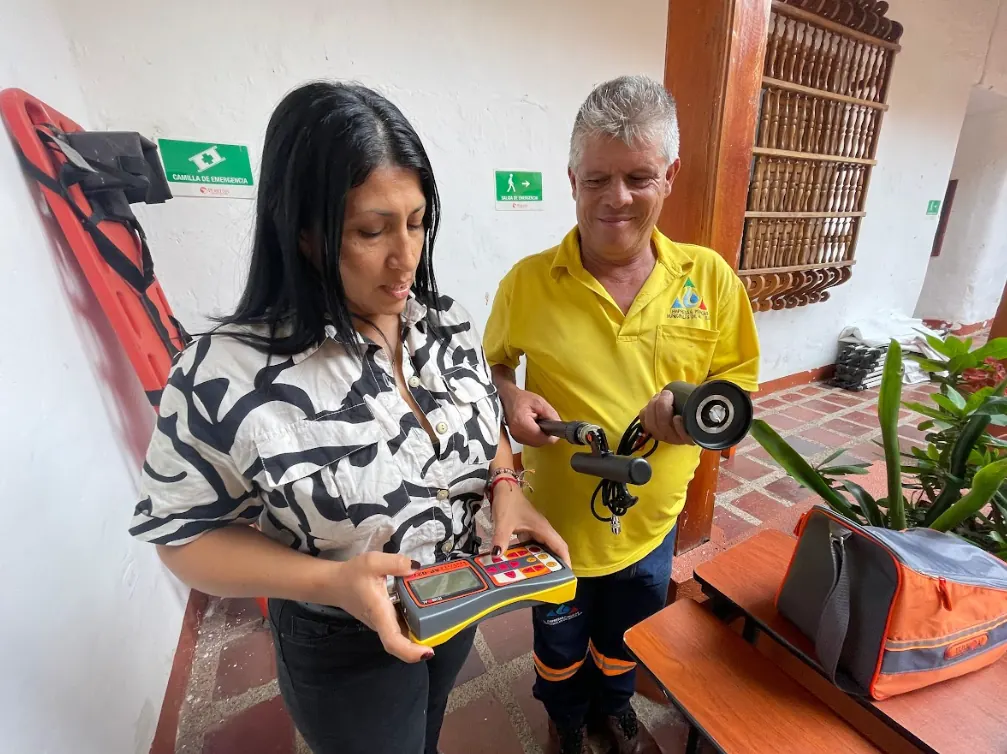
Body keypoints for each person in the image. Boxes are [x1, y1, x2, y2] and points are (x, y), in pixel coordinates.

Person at [129, 81, 568, 754]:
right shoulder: (224, 376)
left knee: (423, 730)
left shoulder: (442, 325)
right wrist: (330, 581)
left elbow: (487, 432)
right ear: (303, 231)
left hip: (453, 596)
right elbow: (180, 535)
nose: (406, 258)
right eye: (372, 231)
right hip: (343, 641)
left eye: (418, 222)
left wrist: (506, 492)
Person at [483, 75, 760, 754]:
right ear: (571, 178)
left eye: (638, 176)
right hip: (555, 525)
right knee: (556, 637)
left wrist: (690, 412)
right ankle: (564, 718)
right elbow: (490, 370)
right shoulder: (526, 282)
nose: (617, 198)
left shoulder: (709, 279)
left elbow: (735, 383)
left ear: (668, 176)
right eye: (598, 178)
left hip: (650, 526)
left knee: (626, 635)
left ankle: (614, 708)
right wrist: (509, 396)